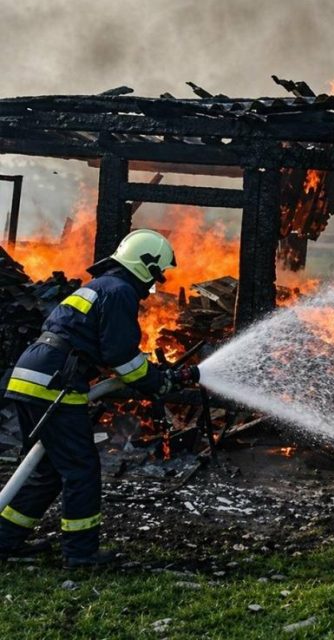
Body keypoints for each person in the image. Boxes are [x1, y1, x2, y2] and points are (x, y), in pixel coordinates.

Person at [0, 229, 199, 567]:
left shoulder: (100, 287)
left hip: (30, 376)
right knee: (81, 469)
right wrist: (159, 383)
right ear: (145, 266)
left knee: (48, 468)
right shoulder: (120, 292)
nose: (158, 282)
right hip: (55, 383)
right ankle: (81, 552)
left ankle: (5, 541)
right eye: (157, 273)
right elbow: (122, 356)